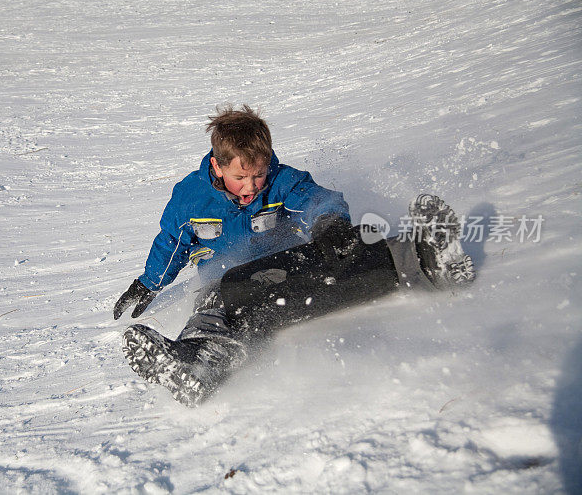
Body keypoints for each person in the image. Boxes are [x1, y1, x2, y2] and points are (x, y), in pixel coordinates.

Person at [114, 105, 476, 407]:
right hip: (229, 285)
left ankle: (428, 258)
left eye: (259, 174)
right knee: (212, 307)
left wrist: (330, 223)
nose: (253, 186)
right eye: (243, 177)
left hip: (288, 267)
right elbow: (171, 244)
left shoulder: (281, 179)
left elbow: (314, 197)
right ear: (218, 165)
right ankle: (196, 367)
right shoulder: (190, 199)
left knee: (346, 247)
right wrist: (148, 283)